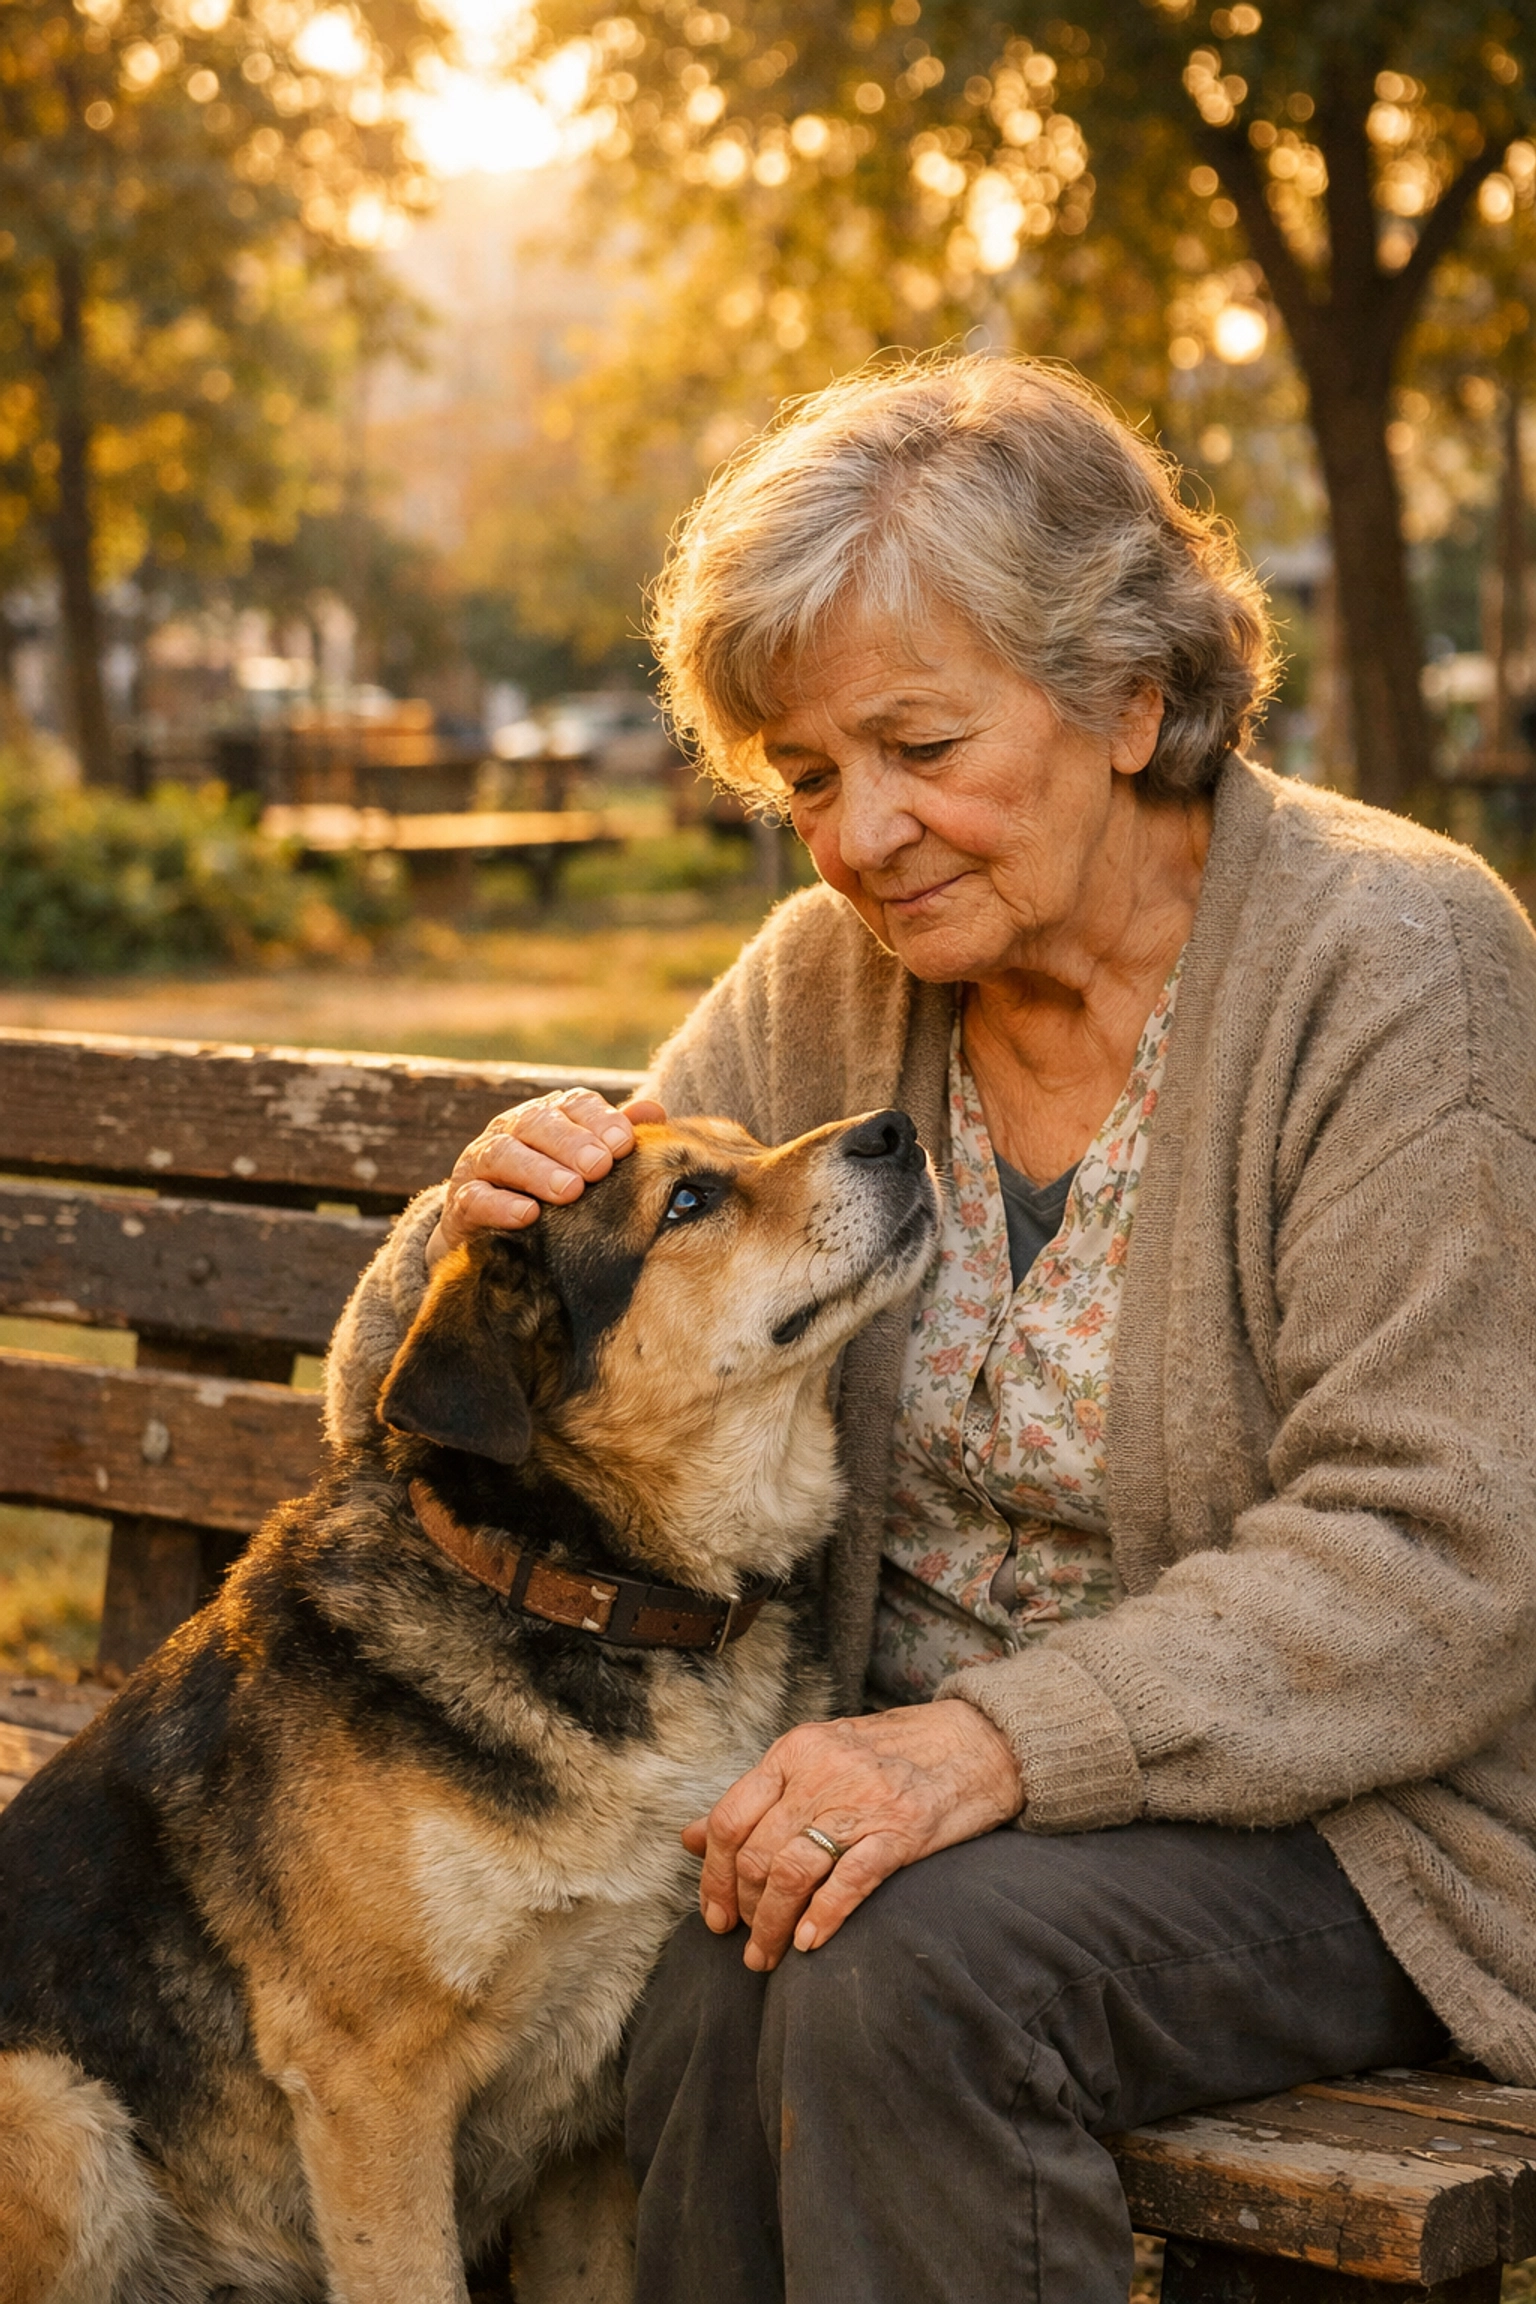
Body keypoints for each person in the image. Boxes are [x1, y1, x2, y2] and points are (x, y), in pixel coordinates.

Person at [327, 357, 1536, 2304]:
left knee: (892, 1963)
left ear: (1131, 698)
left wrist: (989, 1743)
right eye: (808, 777)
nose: (862, 836)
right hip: (887, 1803)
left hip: (1355, 1828)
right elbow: (444, 1401)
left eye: (917, 745)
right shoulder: (834, 977)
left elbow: (1443, 1555)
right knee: (722, 1958)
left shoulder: (1394, 963)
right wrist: (478, 1218)